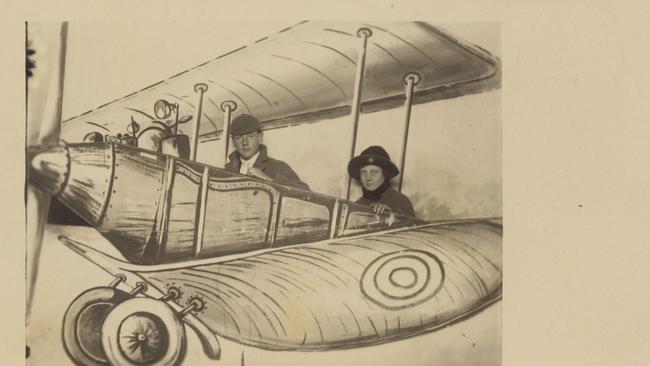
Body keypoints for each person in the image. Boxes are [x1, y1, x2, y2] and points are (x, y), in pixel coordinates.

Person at [225, 114, 310, 190]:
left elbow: (306, 193)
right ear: (233, 141)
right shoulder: (227, 169)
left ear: (260, 138)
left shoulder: (279, 167)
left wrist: (270, 180)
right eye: (239, 137)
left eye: (250, 136)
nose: (245, 143)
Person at [348, 146, 415, 217]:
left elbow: (412, 226)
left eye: (374, 172)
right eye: (363, 172)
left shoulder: (400, 201)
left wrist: (391, 215)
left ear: (385, 174)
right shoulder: (355, 207)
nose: (368, 178)